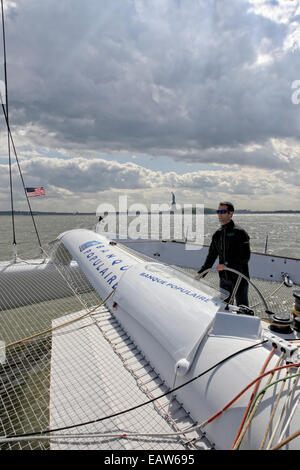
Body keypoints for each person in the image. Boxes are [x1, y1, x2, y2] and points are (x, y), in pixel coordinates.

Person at [195, 202, 250, 306]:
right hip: (224, 278)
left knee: (242, 307)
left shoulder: (240, 233)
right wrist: (201, 273)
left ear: (230, 214)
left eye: (223, 211)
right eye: (218, 211)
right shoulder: (217, 234)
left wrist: (227, 265)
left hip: (239, 278)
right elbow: (211, 256)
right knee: (224, 306)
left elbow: (245, 257)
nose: (219, 214)